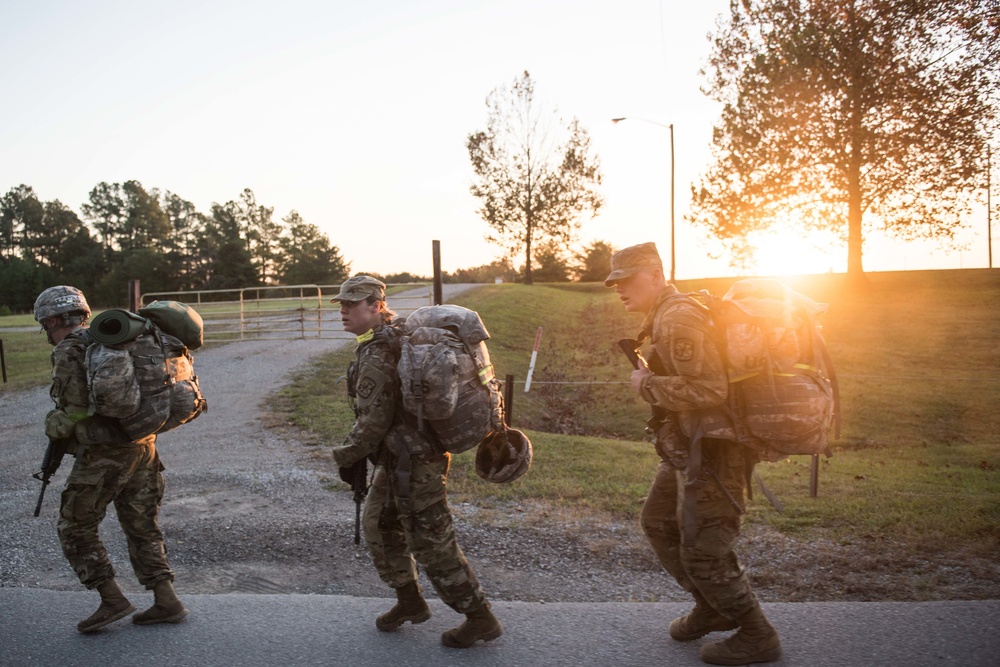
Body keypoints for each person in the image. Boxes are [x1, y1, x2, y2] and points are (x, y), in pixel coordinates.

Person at [605, 244, 781, 665]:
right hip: (688, 446)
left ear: (654, 274)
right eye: (614, 282)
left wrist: (645, 385)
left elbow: (709, 389)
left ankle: (757, 633)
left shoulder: (678, 317)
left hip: (715, 451)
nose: (619, 289)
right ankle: (712, 606)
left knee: (702, 548)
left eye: (627, 279)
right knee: (659, 521)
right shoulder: (664, 317)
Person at [329, 275, 502, 648]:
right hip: (396, 459)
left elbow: (372, 420)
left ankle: (479, 617)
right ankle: (409, 601)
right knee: (379, 524)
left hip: (415, 462)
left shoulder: (380, 350)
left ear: (376, 306)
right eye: (341, 303)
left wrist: (347, 457)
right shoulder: (385, 340)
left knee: (431, 541)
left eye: (352, 304)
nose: (343, 310)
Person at [33, 285, 187, 633]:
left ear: (55, 319)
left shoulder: (70, 349)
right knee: (142, 525)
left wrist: (55, 425)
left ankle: (111, 599)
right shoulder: (114, 340)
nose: (47, 330)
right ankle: (166, 600)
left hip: (105, 453)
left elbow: (74, 410)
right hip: (143, 445)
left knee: (75, 526)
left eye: (46, 323)